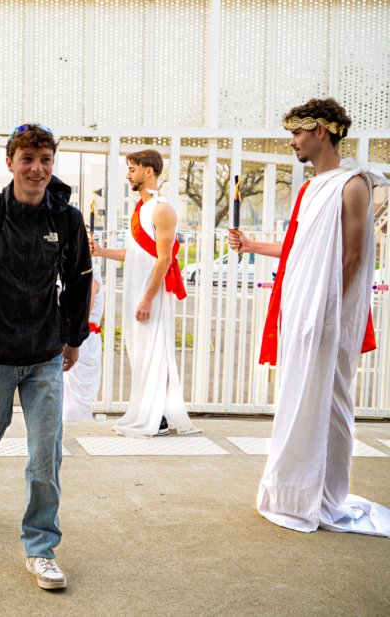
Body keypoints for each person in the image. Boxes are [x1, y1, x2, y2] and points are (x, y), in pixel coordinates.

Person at [228, 98, 390, 536]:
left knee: (331, 401)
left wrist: (326, 313)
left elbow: (354, 257)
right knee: (299, 397)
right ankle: (295, 491)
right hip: (303, 313)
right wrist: (253, 246)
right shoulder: (311, 189)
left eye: (297, 133)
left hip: (330, 317)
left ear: (321, 130)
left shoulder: (352, 186)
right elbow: (299, 249)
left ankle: (326, 496)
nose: (292, 142)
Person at [0, 124, 92, 591]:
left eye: (45, 160)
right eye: (27, 159)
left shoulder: (66, 219)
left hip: (45, 356)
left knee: (46, 454)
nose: (37, 169)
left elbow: (79, 282)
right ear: (10, 163)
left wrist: (73, 338)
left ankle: (41, 548)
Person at [90, 149, 199, 437]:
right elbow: (137, 254)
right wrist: (102, 251)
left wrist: (148, 299)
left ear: (148, 171)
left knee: (155, 351)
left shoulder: (162, 209)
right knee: (140, 353)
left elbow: (164, 258)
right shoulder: (141, 209)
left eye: (132, 168)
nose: (128, 175)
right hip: (137, 291)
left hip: (152, 295)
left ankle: (157, 417)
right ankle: (154, 412)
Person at [62, 276, 104, 422]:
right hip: (84, 337)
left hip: (84, 339)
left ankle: (76, 424)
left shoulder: (90, 273)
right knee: (73, 391)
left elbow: (86, 307)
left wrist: (76, 337)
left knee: (78, 391)